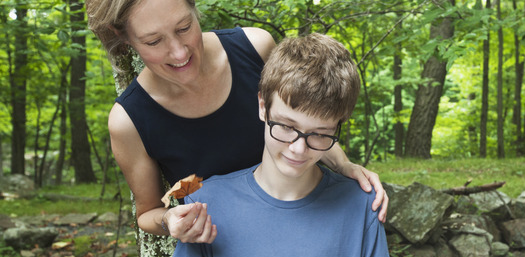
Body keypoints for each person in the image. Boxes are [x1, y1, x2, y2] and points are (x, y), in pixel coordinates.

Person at [86, 0, 388, 244]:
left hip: (309, 223)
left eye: (184, 27)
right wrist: (170, 222)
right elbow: (148, 212)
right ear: (124, 36)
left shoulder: (255, 48)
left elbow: (307, 121)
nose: (179, 52)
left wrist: (344, 166)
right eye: (153, 41)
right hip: (228, 255)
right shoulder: (129, 121)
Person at [166, 33, 396, 257]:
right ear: (263, 105)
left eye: (319, 134)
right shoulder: (205, 206)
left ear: (338, 128)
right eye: (286, 126)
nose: (298, 148)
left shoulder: (360, 206)